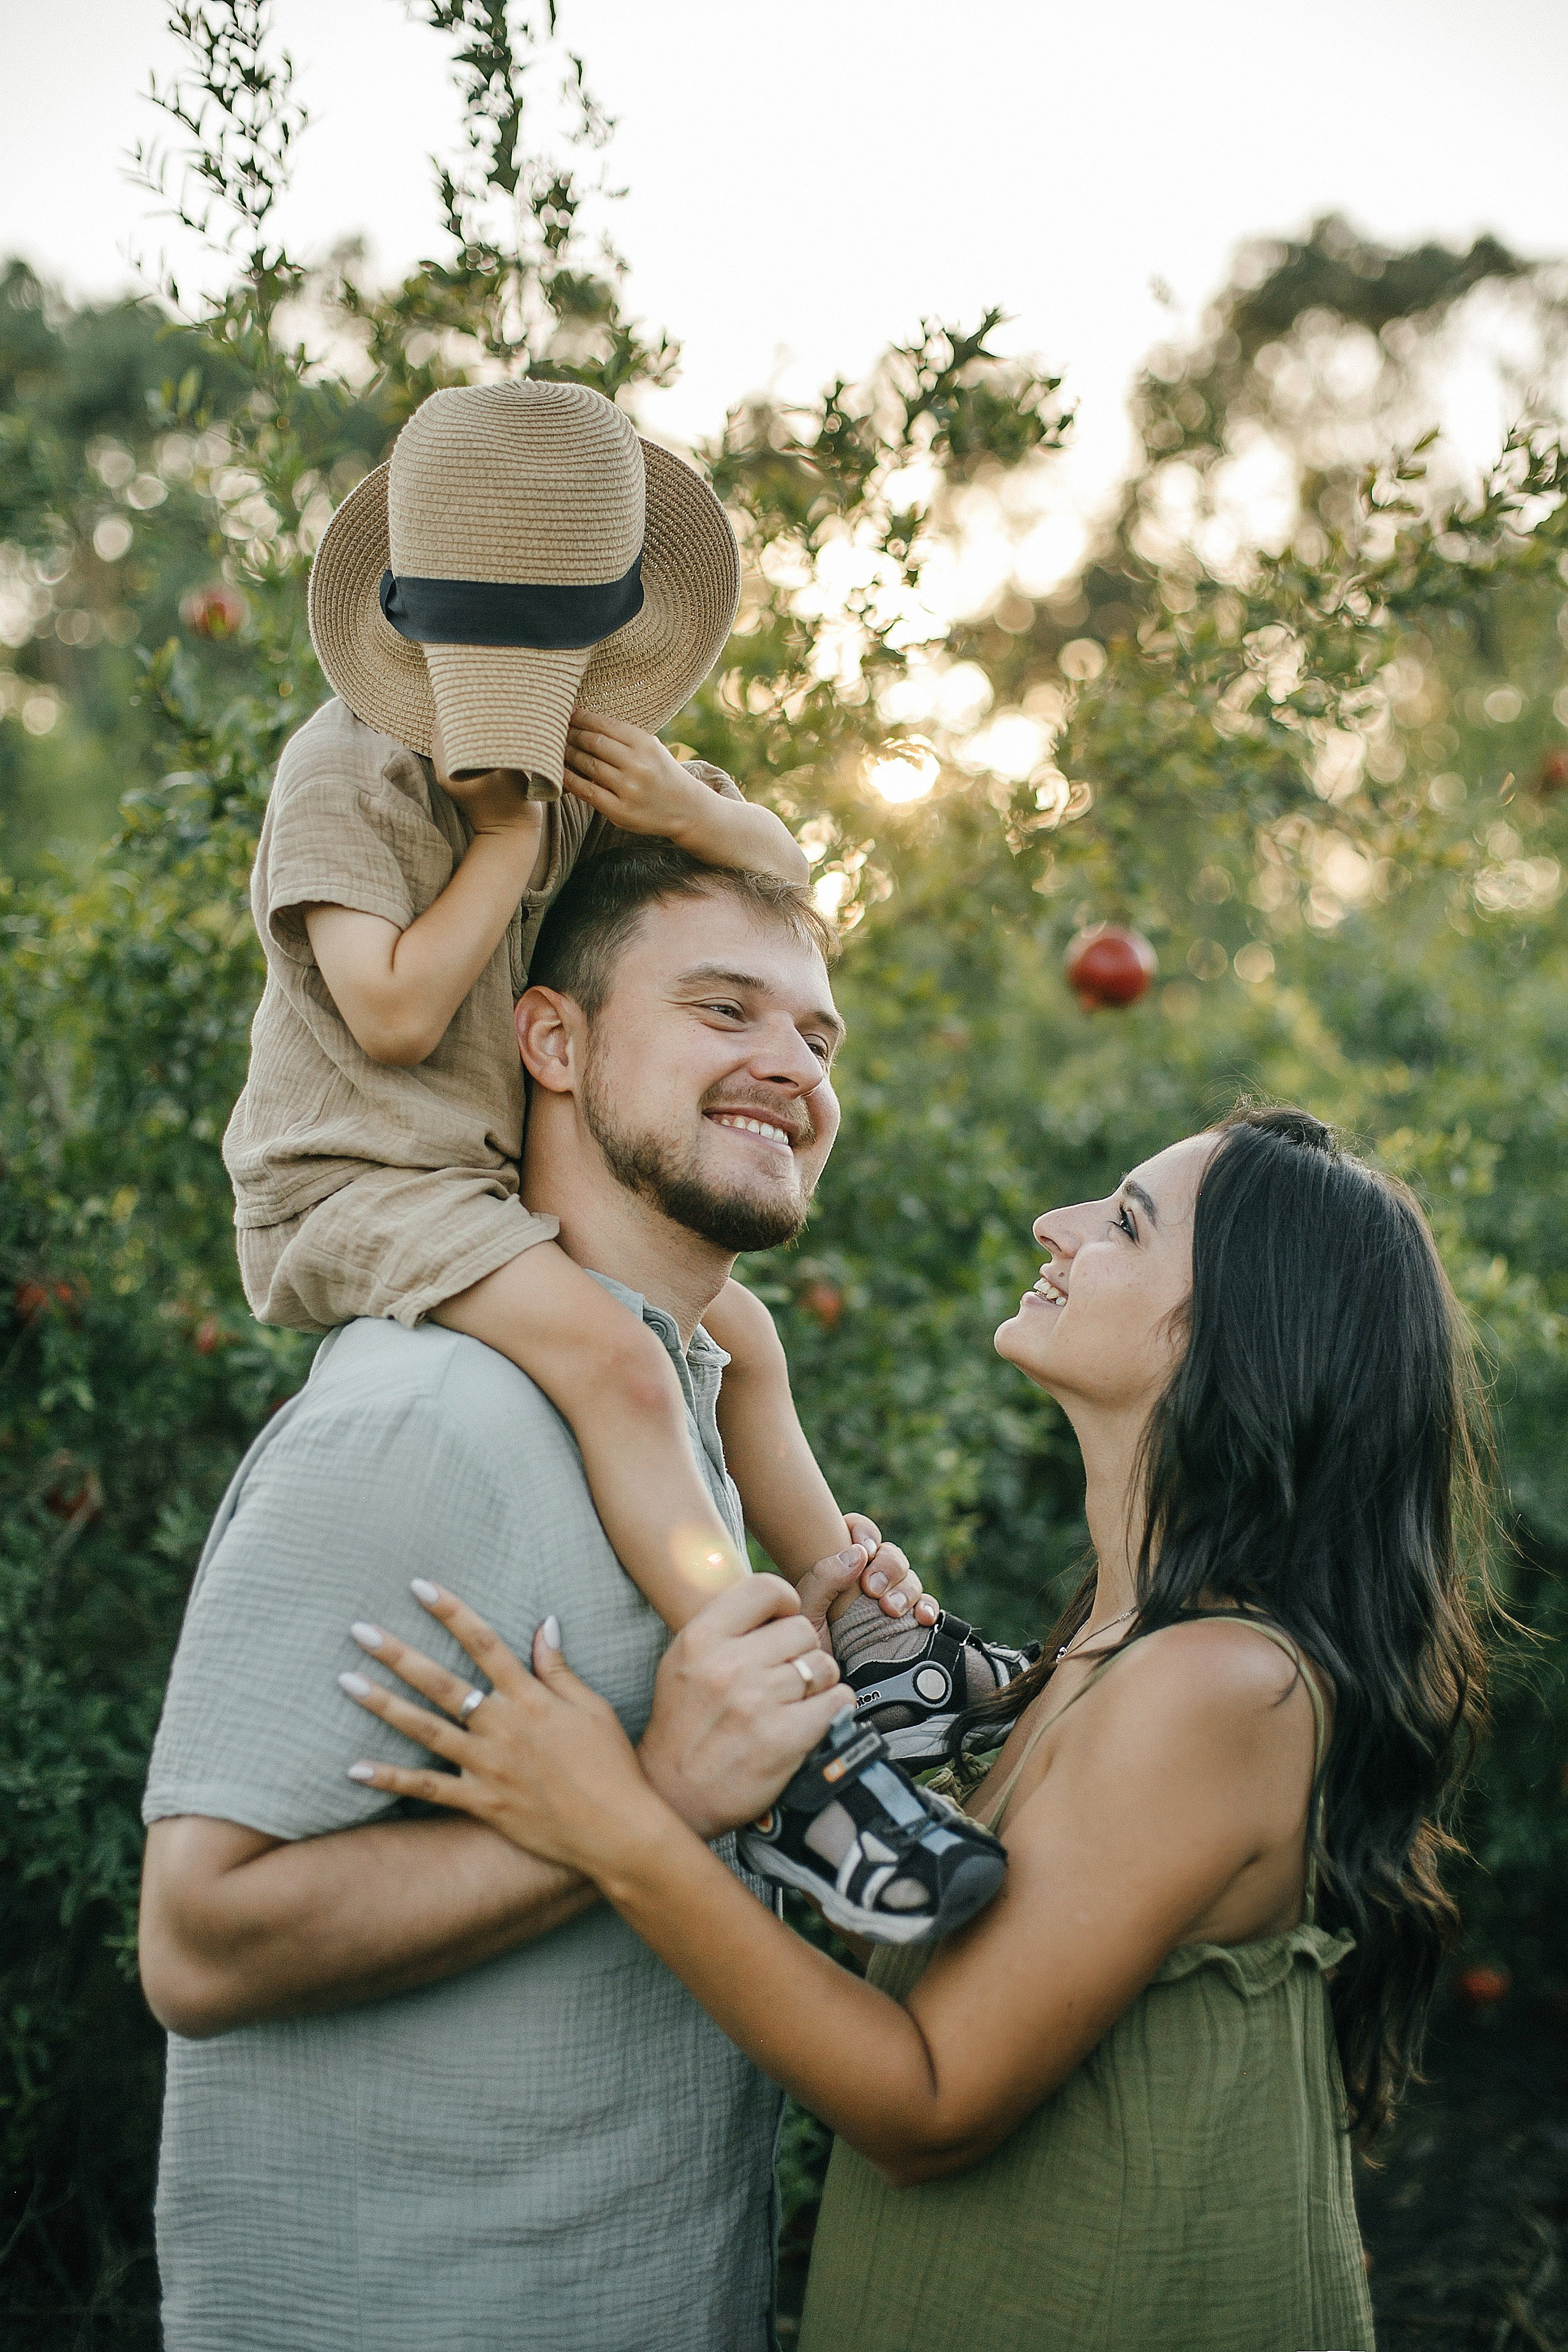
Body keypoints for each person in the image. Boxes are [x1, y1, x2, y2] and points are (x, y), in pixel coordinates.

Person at [338, 1106, 1491, 2352]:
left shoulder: (1216, 1685)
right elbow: (950, 1946)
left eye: (1121, 1224)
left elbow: (929, 2104)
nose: (1053, 1226)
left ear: (1240, 1337)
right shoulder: (1113, 1647)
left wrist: (620, 1825)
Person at [139, 845, 1011, 2352]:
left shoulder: (686, 1412)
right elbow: (198, 1944)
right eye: (722, 1010)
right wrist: (662, 1795)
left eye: (816, 1035)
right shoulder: (426, 1420)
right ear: (549, 1039)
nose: (792, 1066)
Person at [223, 374, 1025, 1933]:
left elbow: (785, 874)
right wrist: (505, 842)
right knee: (618, 1363)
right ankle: (797, 1749)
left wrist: (690, 813)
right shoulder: (350, 765)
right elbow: (390, 1014)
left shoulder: (606, 753)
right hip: (363, 1185)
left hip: (494, 1189)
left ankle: (876, 1640)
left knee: (746, 1337)